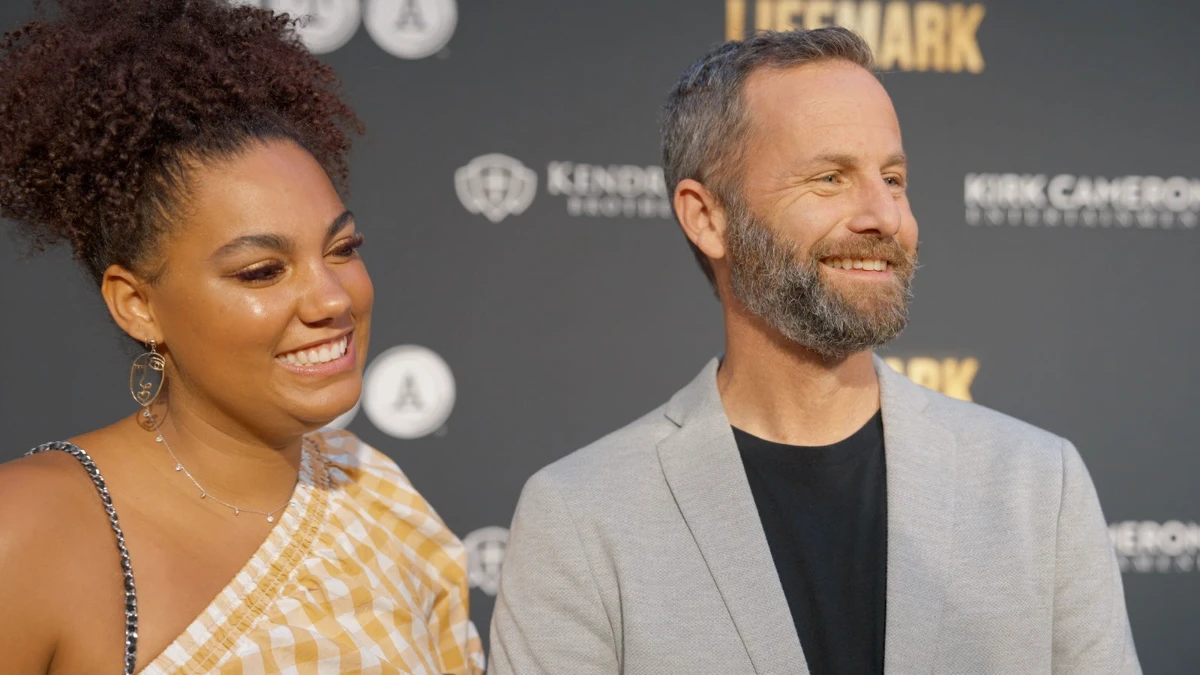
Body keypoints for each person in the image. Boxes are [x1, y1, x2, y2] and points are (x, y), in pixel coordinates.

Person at [490, 27, 1140, 675]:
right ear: (706, 217)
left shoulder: (1037, 486)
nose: (884, 216)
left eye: (893, 177)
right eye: (830, 178)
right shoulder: (581, 517)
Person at [0, 1, 483, 673]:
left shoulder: (378, 496)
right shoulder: (27, 529)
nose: (333, 298)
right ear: (138, 304)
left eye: (342, 248)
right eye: (262, 271)